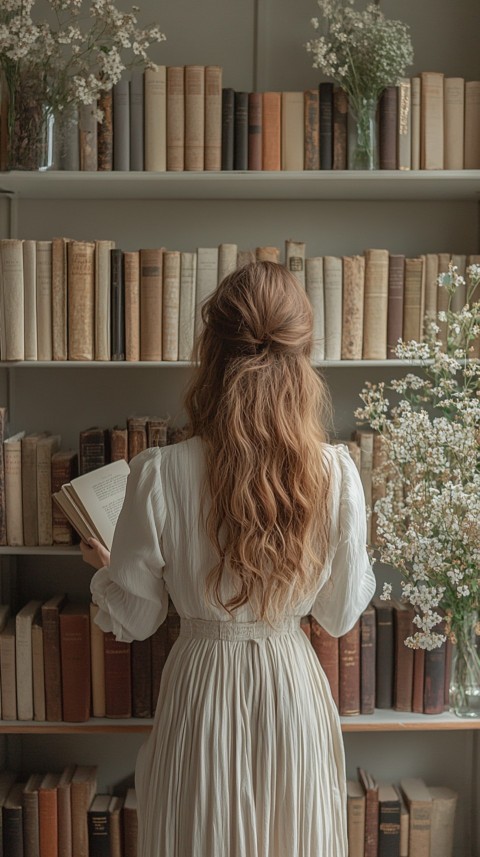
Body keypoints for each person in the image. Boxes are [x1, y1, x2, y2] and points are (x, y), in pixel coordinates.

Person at [81, 261, 376, 857]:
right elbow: (341, 613)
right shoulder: (336, 474)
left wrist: (105, 570)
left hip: (202, 689)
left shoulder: (160, 472)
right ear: (302, 355)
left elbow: (135, 619)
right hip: (291, 689)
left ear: (212, 355)